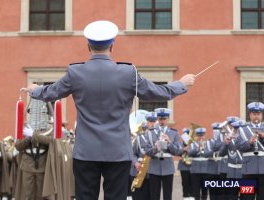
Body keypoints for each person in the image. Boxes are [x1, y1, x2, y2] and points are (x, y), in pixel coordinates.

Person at [22, 20, 195, 200]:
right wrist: (181, 84)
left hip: (86, 151)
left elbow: (50, 92)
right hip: (118, 151)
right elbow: (159, 93)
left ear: (88, 46)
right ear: (112, 45)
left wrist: (34, 90)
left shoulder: (75, 72)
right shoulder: (128, 73)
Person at [236, 102, 264, 200]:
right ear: (250, 115)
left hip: (263, 169)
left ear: (262, 115)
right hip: (248, 170)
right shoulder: (242, 129)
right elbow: (238, 145)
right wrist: (249, 142)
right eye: (254, 114)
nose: (256, 116)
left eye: (258, 114)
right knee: (247, 197)